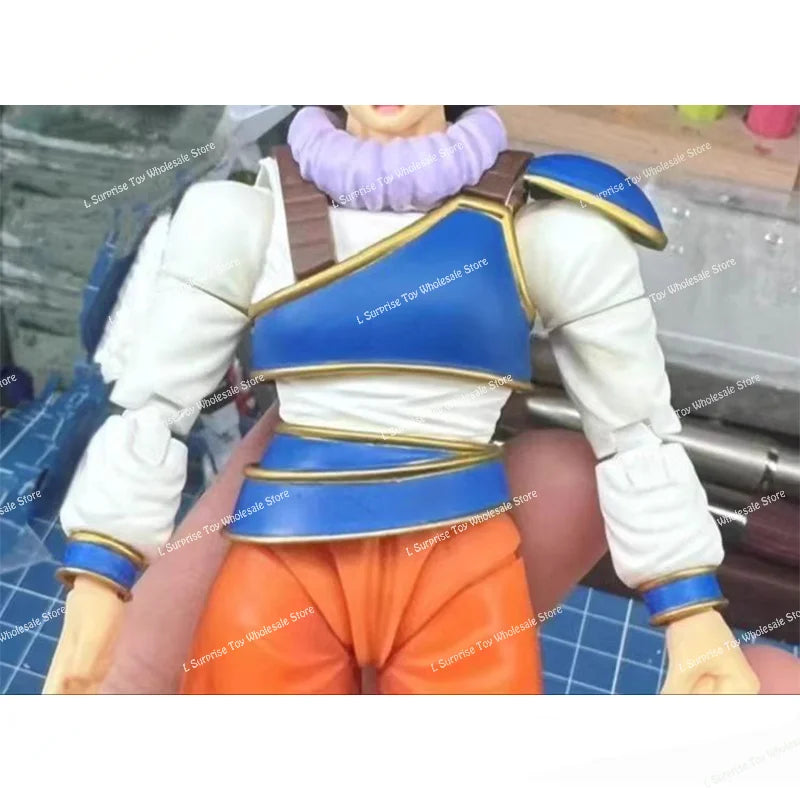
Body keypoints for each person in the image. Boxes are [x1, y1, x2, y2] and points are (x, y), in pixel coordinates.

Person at [45, 105, 762, 694]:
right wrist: (100, 577)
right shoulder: (242, 217)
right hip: (286, 552)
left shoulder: (550, 229)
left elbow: (634, 431)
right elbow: (151, 408)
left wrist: (689, 607)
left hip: (461, 565)